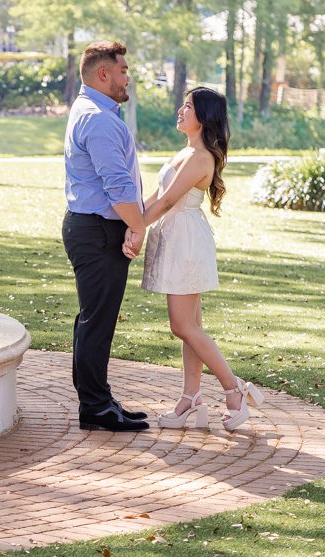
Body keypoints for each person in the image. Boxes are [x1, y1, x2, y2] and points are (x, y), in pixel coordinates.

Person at [127, 87, 264, 431]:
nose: (180, 110)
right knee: (192, 328)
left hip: (186, 243)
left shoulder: (201, 156)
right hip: (176, 238)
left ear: (203, 116)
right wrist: (132, 221)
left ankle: (233, 390)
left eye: (187, 106)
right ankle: (191, 398)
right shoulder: (186, 151)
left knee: (182, 325)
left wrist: (136, 229)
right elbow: (156, 197)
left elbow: (168, 201)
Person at [62, 40, 149, 432]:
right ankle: (95, 406)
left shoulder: (92, 111)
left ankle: (98, 399)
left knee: (94, 319)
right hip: (98, 231)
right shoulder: (97, 118)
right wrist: (138, 225)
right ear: (104, 73)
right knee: (97, 322)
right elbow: (117, 185)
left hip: (93, 227)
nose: (127, 77)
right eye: (123, 70)